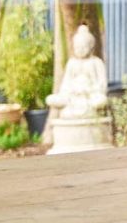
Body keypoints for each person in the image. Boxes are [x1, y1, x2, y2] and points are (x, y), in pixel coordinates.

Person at [46, 24, 110, 154]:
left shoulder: (96, 62)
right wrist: (74, 90)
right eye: (77, 47)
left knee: (101, 100)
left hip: (90, 97)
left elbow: (102, 85)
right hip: (72, 97)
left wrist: (88, 89)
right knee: (51, 99)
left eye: (83, 47)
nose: (79, 50)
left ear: (90, 47)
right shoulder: (72, 63)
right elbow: (65, 86)